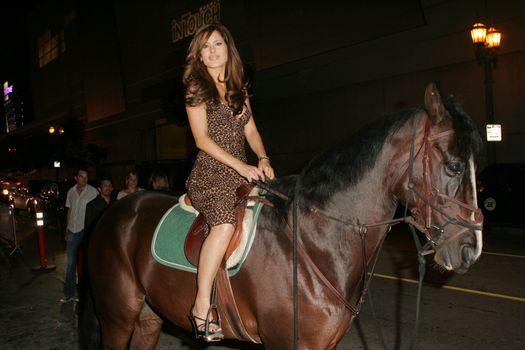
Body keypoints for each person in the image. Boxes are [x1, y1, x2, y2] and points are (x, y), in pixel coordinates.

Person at [183, 23, 274, 341]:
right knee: (223, 226)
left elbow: (251, 131)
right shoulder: (196, 88)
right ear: (199, 55)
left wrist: (262, 158)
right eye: (205, 47)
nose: (212, 51)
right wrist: (241, 165)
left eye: (217, 44)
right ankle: (200, 306)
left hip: (244, 171)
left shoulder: (239, 88)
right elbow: (201, 140)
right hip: (210, 174)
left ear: (228, 48)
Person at [60, 169, 98, 303]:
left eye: (86, 177)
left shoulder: (93, 192)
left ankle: (87, 294)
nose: (84, 179)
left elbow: (96, 210)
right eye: (82, 177)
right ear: (76, 177)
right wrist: (66, 229)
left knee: (88, 263)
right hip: (72, 230)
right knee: (71, 264)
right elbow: (69, 211)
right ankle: (70, 293)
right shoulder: (71, 192)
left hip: (85, 230)